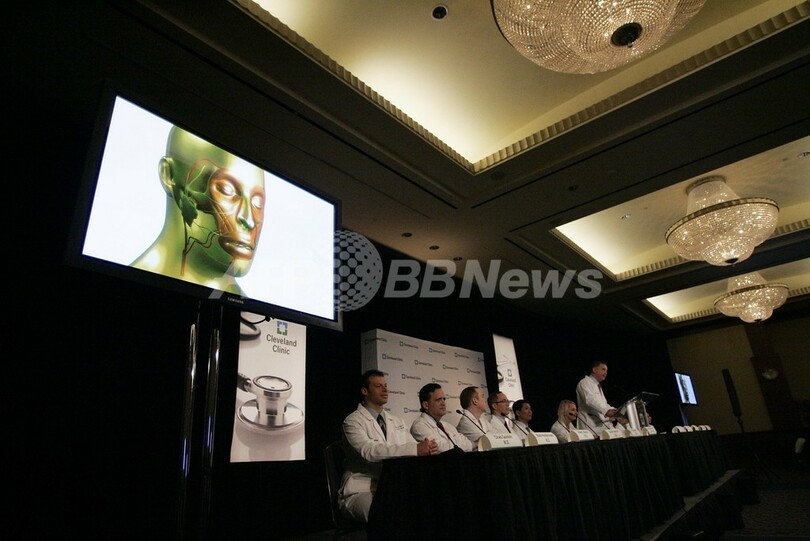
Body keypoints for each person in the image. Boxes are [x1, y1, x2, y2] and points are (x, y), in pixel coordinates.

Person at [132, 126, 266, 296]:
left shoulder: (248, 310)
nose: (249, 220)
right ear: (169, 175)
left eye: (257, 202)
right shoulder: (120, 292)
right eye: (226, 190)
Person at [339, 369, 438, 523]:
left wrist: (427, 448)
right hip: (361, 489)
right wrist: (415, 449)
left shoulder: (397, 421)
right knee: (387, 516)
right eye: (378, 386)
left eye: (385, 386)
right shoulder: (352, 421)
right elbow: (369, 451)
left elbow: (411, 444)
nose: (385, 390)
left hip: (394, 486)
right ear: (365, 391)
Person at [410, 383, 473, 453]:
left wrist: (453, 445)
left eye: (444, 399)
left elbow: (468, 444)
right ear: (426, 405)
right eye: (438, 399)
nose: (443, 403)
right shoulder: (419, 426)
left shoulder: (448, 426)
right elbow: (441, 449)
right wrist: (459, 445)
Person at [576, 360, 627, 435]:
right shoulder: (584, 382)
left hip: (600, 424)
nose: (606, 373)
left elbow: (604, 404)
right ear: (594, 370)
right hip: (589, 425)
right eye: (603, 369)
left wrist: (615, 411)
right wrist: (606, 410)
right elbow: (589, 400)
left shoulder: (597, 385)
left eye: (606, 371)